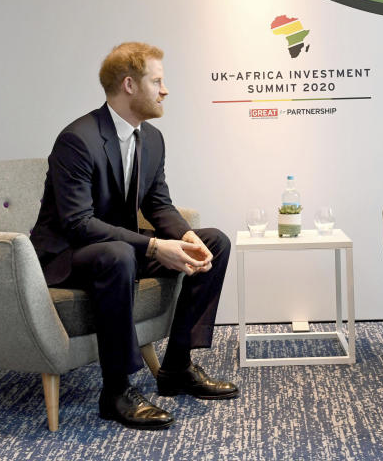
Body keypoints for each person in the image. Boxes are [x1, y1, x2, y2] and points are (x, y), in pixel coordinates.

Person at [31, 42, 237, 430]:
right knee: (119, 255)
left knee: (214, 242)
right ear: (129, 85)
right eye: (157, 81)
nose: (165, 89)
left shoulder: (152, 138)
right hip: (67, 254)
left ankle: (176, 366)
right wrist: (156, 246)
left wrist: (188, 238)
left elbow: (159, 203)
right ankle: (116, 390)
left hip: (118, 246)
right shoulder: (77, 139)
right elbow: (77, 222)